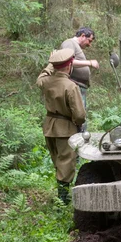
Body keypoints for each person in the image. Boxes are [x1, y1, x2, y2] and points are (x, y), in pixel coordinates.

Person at [36, 48, 86, 204]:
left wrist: (50, 64)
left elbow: (41, 77)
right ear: (69, 65)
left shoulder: (45, 81)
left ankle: (61, 196)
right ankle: (62, 200)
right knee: (66, 164)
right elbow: (79, 115)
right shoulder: (70, 86)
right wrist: (77, 124)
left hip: (50, 126)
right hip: (66, 129)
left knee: (57, 161)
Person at [59, 27, 99, 129]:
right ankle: (79, 139)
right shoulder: (69, 43)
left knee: (80, 114)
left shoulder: (75, 45)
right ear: (82, 36)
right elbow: (67, 61)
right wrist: (90, 63)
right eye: (89, 41)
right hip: (74, 86)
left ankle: (81, 136)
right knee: (78, 114)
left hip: (79, 87)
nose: (89, 44)